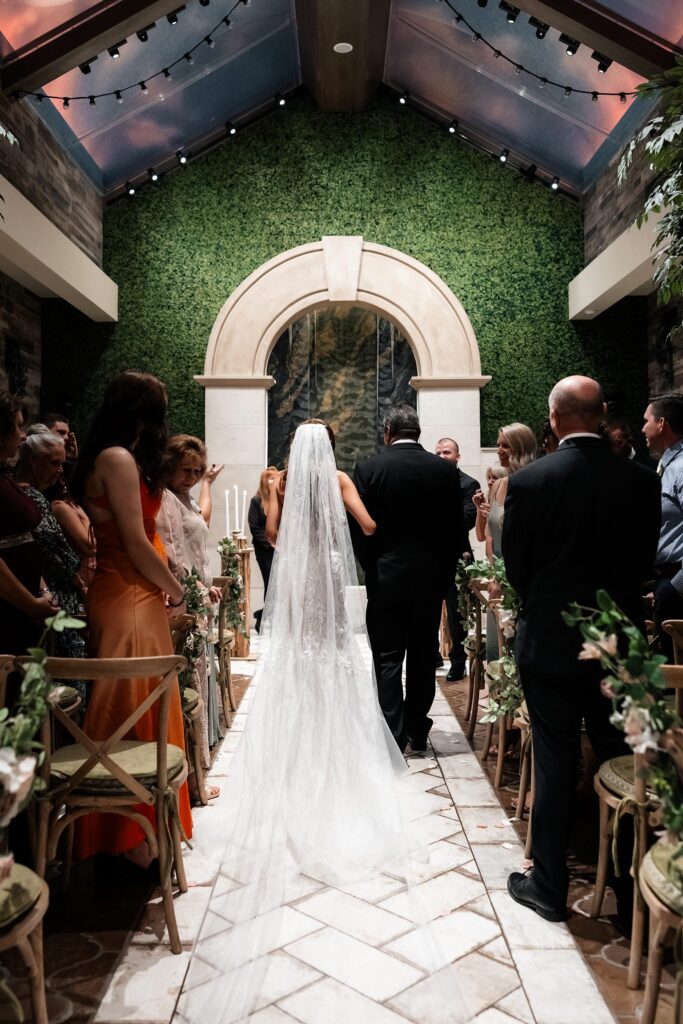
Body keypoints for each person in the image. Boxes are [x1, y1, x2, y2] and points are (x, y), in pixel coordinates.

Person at [178, 421, 470, 1024]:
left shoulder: (281, 484)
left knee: (303, 665)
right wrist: (345, 534)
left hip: (296, 584)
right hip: (332, 586)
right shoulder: (339, 478)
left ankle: (296, 762)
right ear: (330, 452)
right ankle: (377, 740)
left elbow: (276, 536)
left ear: (292, 452)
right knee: (342, 661)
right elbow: (367, 526)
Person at [503, 376, 661, 922]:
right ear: (602, 415)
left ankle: (548, 886)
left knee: (555, 758)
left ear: (554, 419)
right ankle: (623, 891)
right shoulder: (642, 481)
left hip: (549, 640)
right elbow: (645, 561)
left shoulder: (532, 482)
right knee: (620, 758)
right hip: (616, 641)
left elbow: (516, 569)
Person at [71, 371, 192, 867]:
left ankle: (144, 833)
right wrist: (177, 590)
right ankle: (128, 838)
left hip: (132, 593)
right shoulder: (117, 458)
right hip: (129, 595)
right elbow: (136, 542)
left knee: (142, 701)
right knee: (132, 707)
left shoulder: (120, 457)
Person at [351, 404, 465, 753]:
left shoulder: (369, 469)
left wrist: (372, 566)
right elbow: (455, 529)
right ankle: (418, 729)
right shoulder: (444, 470)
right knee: (421, 655)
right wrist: (443, 574)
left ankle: (393, 732)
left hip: (386, 580)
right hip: (429, 581)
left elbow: (360, 530)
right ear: (417, 432)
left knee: (387, 656)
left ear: (387, 433)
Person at [157, 434, 223, 775]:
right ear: (169, 466)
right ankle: (193, 770)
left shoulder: (186, 497)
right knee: (191, 679)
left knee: (202, 673)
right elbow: (173, 554)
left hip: (197, 596)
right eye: (186, 469)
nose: (192, 476)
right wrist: (193, 589)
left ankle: (201, 759)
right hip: (182, 599)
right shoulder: (166, 499)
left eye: (197, 470)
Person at [15, 426, 86, 679]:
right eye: (54, 463)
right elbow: (59, 552)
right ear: (32, 462)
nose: (60, 470)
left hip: (55, 594)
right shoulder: (30, 496)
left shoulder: (36, 496)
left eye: (62, 463)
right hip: (51, 598)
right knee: (67, 668)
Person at [0, 394, 57, 659]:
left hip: (23, 607)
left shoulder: (5, 476)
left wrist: (42, 591)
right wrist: (31, 604)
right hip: (10, 608)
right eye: (18, 426)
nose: (23, 435)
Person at [434, 437, 480, 680]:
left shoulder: (469, 484)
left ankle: (458, 662)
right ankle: (431, 655)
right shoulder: (428, 482)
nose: (442, 456)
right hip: (430, 558)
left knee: (457, 614)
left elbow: (467, 520)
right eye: (438, 452)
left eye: (447, 452)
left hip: (457, 558)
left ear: (457, 456)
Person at [642, 393, 683, 661]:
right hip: (664, 581)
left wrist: (675, 587)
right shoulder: (665, 463)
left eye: (646, 421)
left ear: (661, 423)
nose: (643, 428)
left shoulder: (681, 467)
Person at [247, 467, 278, 633]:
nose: (273, 481)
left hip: (280, 549)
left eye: (275, 478)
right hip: (265, 550)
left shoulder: (280, 500)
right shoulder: (257, 500)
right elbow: (254, 526)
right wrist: (269, 543)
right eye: (270, 478)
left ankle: (263, 614)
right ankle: (264, 617)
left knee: (280, 584)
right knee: (270, 582)